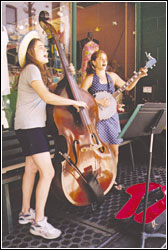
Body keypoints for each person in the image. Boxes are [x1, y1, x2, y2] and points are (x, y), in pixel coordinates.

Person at [14, 30, 87, 239]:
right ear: (30, 52)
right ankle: (38, 222)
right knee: (48, 173)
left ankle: (25, 212)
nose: (45, 50)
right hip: (31, 127)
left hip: (27, 126)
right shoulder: (31, 69)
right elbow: (47, 96)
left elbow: (50, 90)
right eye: (40, 48)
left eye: (45, 47)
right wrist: (74, 102)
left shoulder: (32, 71)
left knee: (31, 169)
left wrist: (66, 77)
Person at [81, 50, 148, 190]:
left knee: (114, 151)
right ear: (93, 62)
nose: (104, 61)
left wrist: (139, 76)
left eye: (105, 58)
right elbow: (80, 96)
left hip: (112, 117)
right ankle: (99, 180)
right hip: (97, 119)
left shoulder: (112, 76)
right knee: (100, 152)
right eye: (100, 59)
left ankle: (112, 179)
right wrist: (97, 101)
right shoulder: (90, 79)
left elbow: (128, 86)